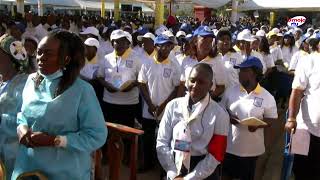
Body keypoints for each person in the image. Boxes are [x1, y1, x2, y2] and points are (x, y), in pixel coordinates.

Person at [12, 30, 107, 180]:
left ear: (66, 59)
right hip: (28, 167)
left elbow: (97, 136)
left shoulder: (82, 90)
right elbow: (21, 114)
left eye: (48, 54)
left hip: (65, 172)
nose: (40, 58)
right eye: (39, 52)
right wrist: (21, 128)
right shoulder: (31, 81)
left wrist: (56, 140)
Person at [157, 63, 229, 180]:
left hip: (202, 170)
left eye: (201, 82)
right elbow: (162, 142)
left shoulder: (219, 114)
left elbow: (216, 154)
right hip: (173, 164)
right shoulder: (173, 106)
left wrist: (189, 178)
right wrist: (172, 172)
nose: (195, 85)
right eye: (192, 80)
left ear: (210, 85)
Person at [220, 56, 278, 180]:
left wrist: (259, 124)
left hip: (252, 150)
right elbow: (220, 110)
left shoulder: (267, 97)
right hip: (229, 147)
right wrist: (228, 117)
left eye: (243, 71)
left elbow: (272, 120)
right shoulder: (230, 91)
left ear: (254, 73)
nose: (239, 73)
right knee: (225, 176)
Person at [138, 33, 181, 172]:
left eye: (169, 45)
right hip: (148, 109)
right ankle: (147, 163)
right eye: (164, 45)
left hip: (166, 110)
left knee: (165, 140)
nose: (168, 48)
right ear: (156, 46)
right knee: (147, 139)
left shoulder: (174, 64)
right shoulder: (147, 62)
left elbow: (176, 88)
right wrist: (150, 104)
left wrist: (163, 106)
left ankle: (164, 168)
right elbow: (142, 83)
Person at [284, 34, 320, 180]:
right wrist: (291, 118)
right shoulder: (308, 61)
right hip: (306, 128)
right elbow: (297, 91)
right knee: (302, 171)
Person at [0, 34, 29, 180]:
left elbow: (22, 120)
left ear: (11, 61)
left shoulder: (23, 85)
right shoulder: (2, 80)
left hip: (12, 153)